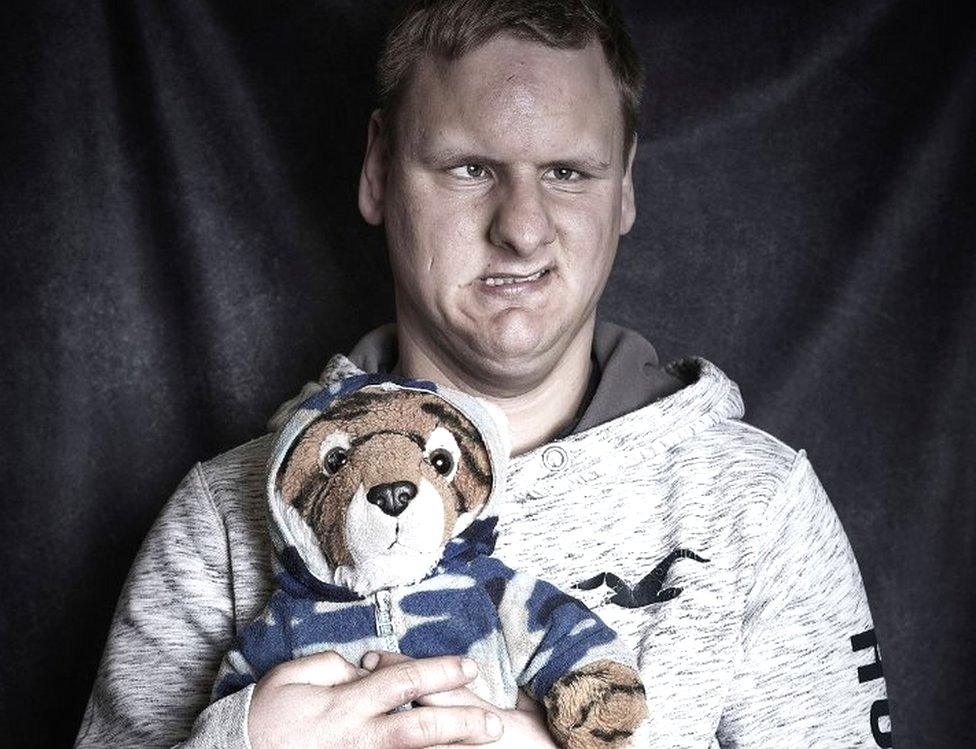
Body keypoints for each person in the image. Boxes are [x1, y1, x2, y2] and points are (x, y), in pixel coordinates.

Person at [75, 1, 892, 747]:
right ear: (378, 171)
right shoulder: (222, 522)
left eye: (569, 172)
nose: (523, 229)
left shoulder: (757, 508)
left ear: (626, 185)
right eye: (470, 168)